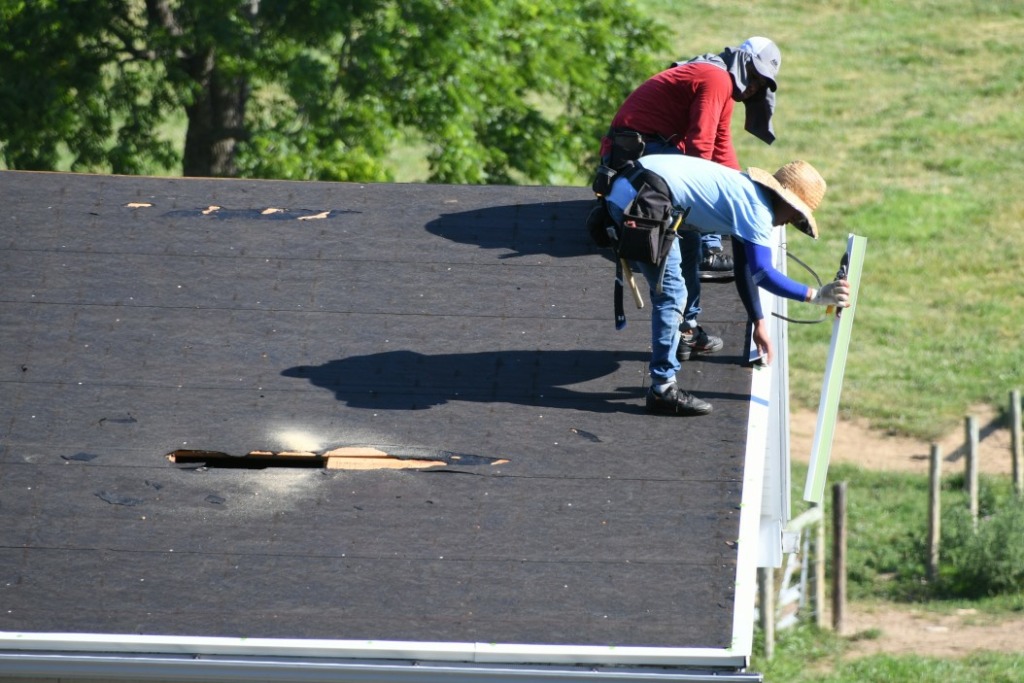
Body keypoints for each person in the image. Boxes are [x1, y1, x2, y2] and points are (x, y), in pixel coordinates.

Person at [605, 155, 849, 416]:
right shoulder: (757, 211)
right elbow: (763, 273)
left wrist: (759, 323)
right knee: (673, 294)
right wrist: (815, 295)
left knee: (689, 243)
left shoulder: (746, 192)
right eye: (796, 214)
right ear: (785, 201)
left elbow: (745, 268)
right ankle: (662, 390)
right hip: (642, 203)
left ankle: (684, 332)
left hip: (629, 186)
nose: (791, 222)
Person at [598, 37, 782, 361]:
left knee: (689, 229)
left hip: (642, 153)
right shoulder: (715, 79)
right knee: (689, 234)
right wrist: (716, 237)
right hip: (634, 154)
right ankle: (686, 326)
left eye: (760, 84)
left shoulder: (721, 87)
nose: (753, 88)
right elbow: (699, 152)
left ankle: (687, 326)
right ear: (741, 64)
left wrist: (745, 201)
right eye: (753, 76)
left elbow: (722, 155)